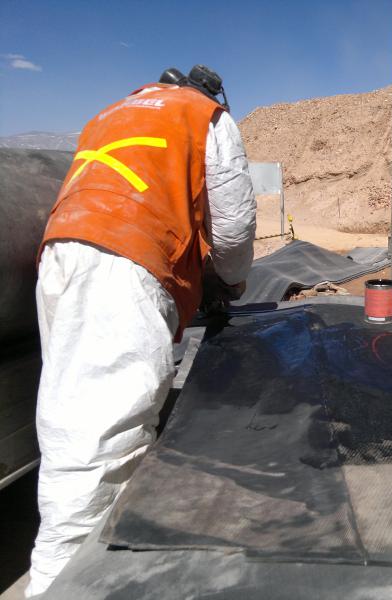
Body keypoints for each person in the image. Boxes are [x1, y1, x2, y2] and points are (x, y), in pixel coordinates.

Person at [26, 65, 257, 596]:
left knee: (69, 413)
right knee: (100, 440)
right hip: (122, 263)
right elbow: (233, 218)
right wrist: (232, 279)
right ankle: (61, 583)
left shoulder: (111, 112)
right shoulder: (203, 115)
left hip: (61, 255)